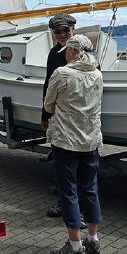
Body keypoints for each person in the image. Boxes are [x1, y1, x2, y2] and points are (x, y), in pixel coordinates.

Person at [44, 34, 104, 254]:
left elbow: (48, 104)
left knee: (68, 190)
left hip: (66, 141)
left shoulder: (62, 73)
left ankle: (75, 245)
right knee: (90, 189)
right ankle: (93, 238)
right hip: (90, 141)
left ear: (72, 51)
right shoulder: (97, 74)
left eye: (67, 51)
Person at [42, 12, 77, 219]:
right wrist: (44, 114)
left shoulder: (84, 54)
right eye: (58, 31)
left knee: (78, 165)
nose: (63, 34)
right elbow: (48, 85)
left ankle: (77, 209)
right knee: (60, 162)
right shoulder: (54, 54)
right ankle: (64, 203)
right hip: (59, 117)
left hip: (78, 118)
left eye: (66, 30)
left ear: (73, 30)